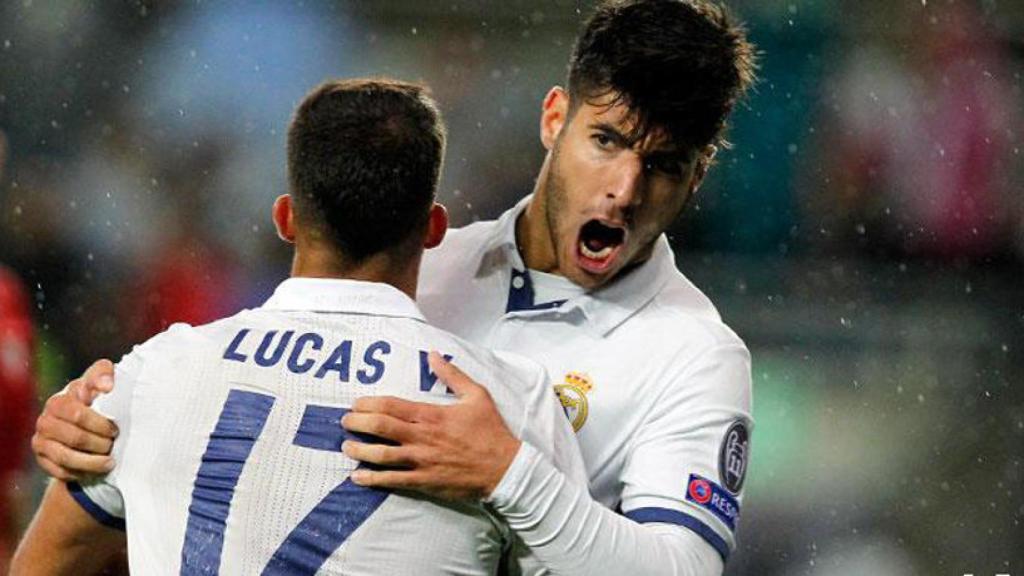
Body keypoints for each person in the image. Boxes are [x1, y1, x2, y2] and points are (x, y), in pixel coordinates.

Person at [33, 0, 758, 573]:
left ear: (696, 179)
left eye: (663, 166)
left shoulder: (693, 355)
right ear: (554, 118)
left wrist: (507, 475)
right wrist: (95, 424)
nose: (625, 190)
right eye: (607, 141)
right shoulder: (418, 264)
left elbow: (680, 569)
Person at [12, 78, 585, 575]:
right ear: (434, 228)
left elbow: (40, 566)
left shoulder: (153, 372)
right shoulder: (506, 405)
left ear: (286, 219)